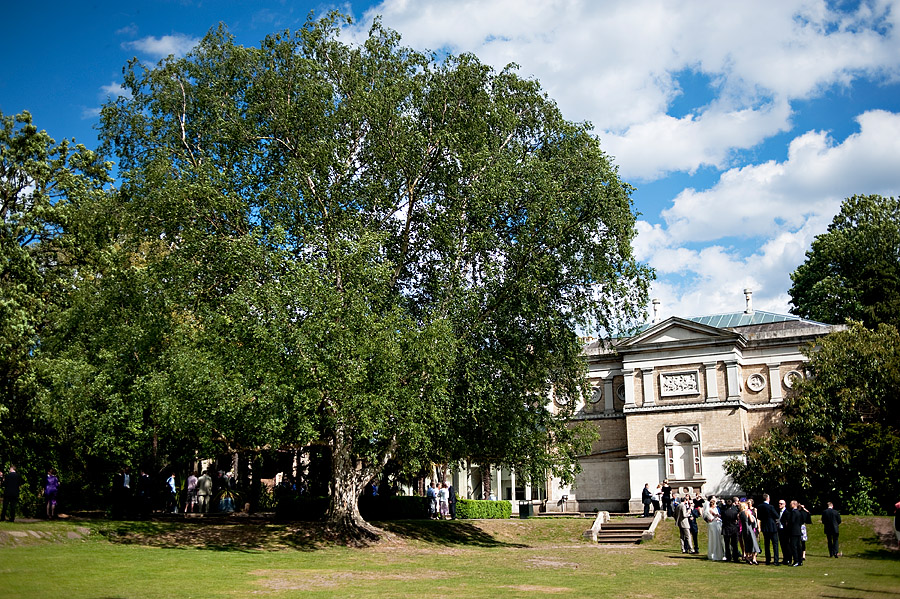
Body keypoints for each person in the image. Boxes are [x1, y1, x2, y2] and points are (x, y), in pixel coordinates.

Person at [757, 493, 781, 565]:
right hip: (772, 526)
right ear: (768, 499)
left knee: (766, 544)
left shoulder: (759, 506)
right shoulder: (770, 507)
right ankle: (776, 560)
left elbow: (759, 517)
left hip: (765, 526)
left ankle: (768, 559)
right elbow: (776, 515)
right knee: (775, 544)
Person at [703, 495, 725, 561]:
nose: (716, 505)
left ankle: (719, 553)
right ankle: (716, 554)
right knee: (715, 538)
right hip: (714, 525)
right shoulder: (710, 510)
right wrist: (717, 517)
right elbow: (713, 518)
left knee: (717, 538)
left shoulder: (714, 509)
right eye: (715, 504)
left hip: (715, 524)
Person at [721, 496, 741, 563]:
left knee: (727, 544)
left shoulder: (724, 512)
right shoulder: (735, 511)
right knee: (734, 544)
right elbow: (736, 519)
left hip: (726, 528)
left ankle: (728, 556)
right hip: (733, 528)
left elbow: (722, 519)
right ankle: (735, 557)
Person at [740, 500, 760, 564]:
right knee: (753, 542)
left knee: (747, 543)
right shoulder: (747, 512)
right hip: (749, 528)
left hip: (744, 529)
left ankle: (747, 556)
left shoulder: (740, 513)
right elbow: (751, 520)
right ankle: (754, 558)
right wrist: (752, 518)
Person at [787, 500, 805, 566]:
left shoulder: (793, 513)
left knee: (794, 546)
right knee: (798, 546)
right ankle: (800, 561)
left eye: (791, 504)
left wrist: (788, 526)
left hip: (793, 531)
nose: (790, 504)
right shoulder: (799, 512)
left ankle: (796, 560)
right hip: (798, 531)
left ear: (794, 504)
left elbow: (792, 521)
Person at [778, 499, 793, 565]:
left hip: (785, 531)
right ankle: (785, 558)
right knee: (782, 545)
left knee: (787, 545)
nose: (780, 505)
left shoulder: (787, 513)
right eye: (779, 503)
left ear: (784, 504)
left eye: (781, 503)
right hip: (780, 530)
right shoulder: (779, 512)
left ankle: (789, 559)